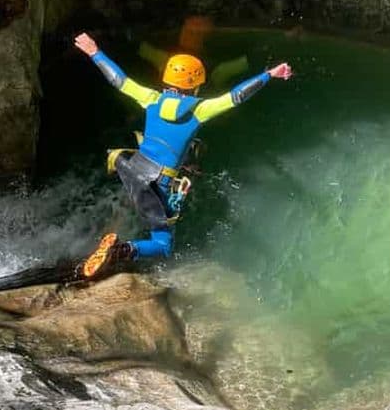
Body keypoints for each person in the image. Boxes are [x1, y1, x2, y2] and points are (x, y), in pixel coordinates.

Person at [73, 32, 293, 277]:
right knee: (163, 245)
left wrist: (94, 51)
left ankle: (113, 235)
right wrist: (269, 74)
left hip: (132, 168)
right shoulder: (199, 109)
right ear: (196, 84)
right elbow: (236, 96)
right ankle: (122, 250)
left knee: (157, 184)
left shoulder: (150, 98)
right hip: (158, 182)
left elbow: (119, 80)